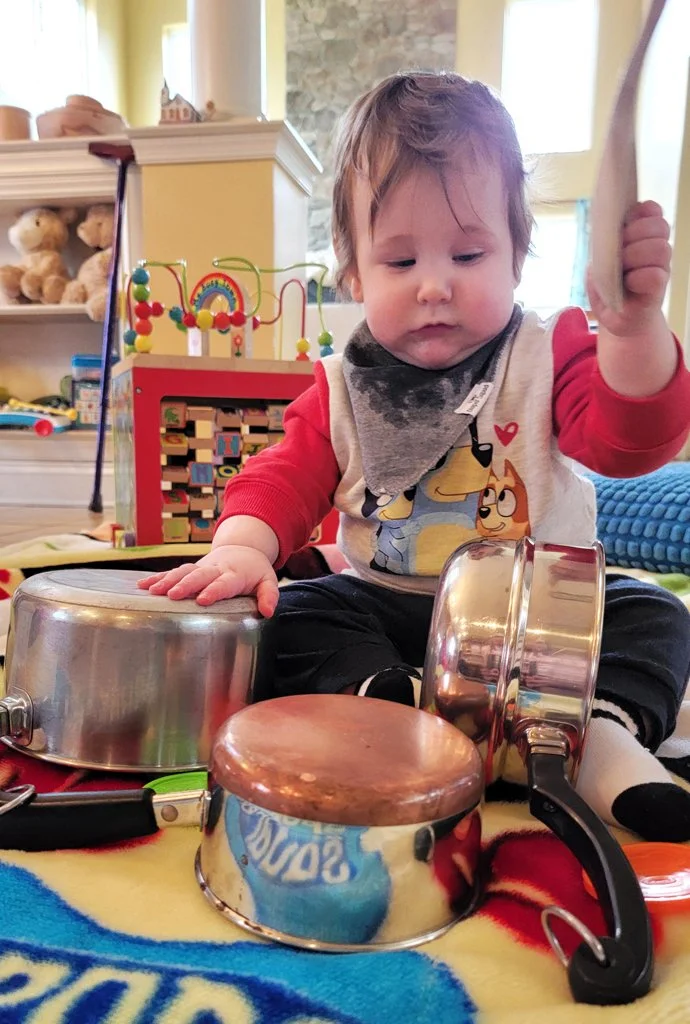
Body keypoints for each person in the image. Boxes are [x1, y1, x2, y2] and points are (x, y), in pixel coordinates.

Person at [140, 71, 690, 842]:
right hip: (392, 613)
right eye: (400, 263)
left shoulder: (548, 352)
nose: (434, 286)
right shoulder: (341, 385)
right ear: (354, 272)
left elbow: (629, 444)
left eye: (468, 253)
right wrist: (242, 547)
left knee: (657, 614)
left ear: (518, 256)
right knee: (292, 612)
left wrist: (634, 333)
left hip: (545, 627)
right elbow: (281, 477)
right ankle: (389, 709)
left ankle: (597, 734)